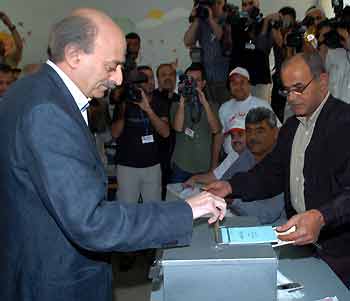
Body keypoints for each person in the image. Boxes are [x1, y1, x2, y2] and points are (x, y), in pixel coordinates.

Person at [0, 8, 226, 301]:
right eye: (111, 66)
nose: (118, 79)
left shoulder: (28, 90)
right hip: (54, 281)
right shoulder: (47, 112)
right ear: (74, 55)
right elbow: (91, 221)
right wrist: (187, 210)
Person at [206, 52, 350, 288]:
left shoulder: (344, 123)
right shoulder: (291, 128)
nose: (292, 98)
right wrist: (231, 186)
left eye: (299, 88)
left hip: (340, 249)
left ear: (323, 81)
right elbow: (270, 174)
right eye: (286, 90)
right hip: (302, 243)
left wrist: (322, 217)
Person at [186, 107, 285, 225]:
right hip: (241, 222)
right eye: (248, 131)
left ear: (275, 133)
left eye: (260, 131)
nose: (253, 137)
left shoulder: (283, 162)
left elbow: (266, 214)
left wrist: (232, 200)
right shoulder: (247, 154)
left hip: (274, 230)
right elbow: (225, 182)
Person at [113, 65, 169, 203]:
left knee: (154, 210)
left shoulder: (160, 101)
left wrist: (148, 109)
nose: (150, 81)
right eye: (145, 78)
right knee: (127, 210)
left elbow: (165, 132)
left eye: (152, 78)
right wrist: (123, 105)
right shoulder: (125, 101)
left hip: (153, 166)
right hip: (127, 167)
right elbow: (115, 133)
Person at [170, 63, 221, 182]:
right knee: (178, 200)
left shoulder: (213, 106)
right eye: (190, 81)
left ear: (203, 84)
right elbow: (177, 128)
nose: (193, 84)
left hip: (204, 166)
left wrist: (205, 103)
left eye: (197, 81)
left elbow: (216, 129)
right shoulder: (176, 105)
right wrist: (182, 101)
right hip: (182, 165)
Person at [218, 66, 274, 156]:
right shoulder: (224, 107)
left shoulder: (261, 105)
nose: (238, 86)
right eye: (234, 83)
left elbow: (275, 132)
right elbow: (219, 136)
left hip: (255, 159)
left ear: (249, 84)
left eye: (242, 82)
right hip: (229, 160)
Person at [184, 0, 231, 105]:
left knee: (225, 112)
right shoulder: (201, 23)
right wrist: (196, 20)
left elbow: (221, 37)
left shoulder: (227, 20)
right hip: (206, 81)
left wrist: (210, 19)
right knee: (210, 112)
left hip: (224, 80)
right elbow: (187, 41)